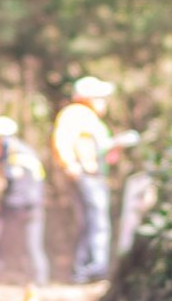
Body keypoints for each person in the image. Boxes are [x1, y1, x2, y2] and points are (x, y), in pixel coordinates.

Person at [51, 75, 120, 284]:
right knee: (97, 221)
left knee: (89, 222)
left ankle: (84, 269)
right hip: (86, 175)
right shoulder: (75, 114)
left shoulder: (90, 118)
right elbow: (62, 140)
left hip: (92, 174)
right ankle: (95, 268)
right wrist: (70, 164)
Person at [0, 115, 49, 301]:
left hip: (24, 208)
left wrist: (3, 209)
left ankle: (34, 283)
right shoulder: (21, 151)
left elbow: (17, 189)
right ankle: (35, 281)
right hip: (32, 206)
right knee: (32, 246)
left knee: (25, 245)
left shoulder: (15, 156)